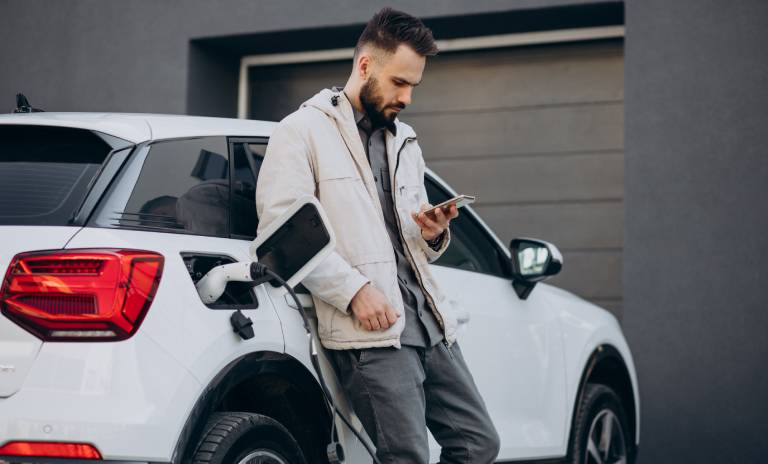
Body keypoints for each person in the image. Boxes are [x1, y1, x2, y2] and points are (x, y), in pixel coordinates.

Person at [255, 8, 500, 463]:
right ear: (365, 66)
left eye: (413, 87)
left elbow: (401, 233)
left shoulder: (404, 139)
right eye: (399, 83)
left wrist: (431, 232)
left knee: (478, 443)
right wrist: (353, 292)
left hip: (429, 320)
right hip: (373, 331)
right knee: (405, 455)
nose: (407, 97)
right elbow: (281, 232)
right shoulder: (301, 132)